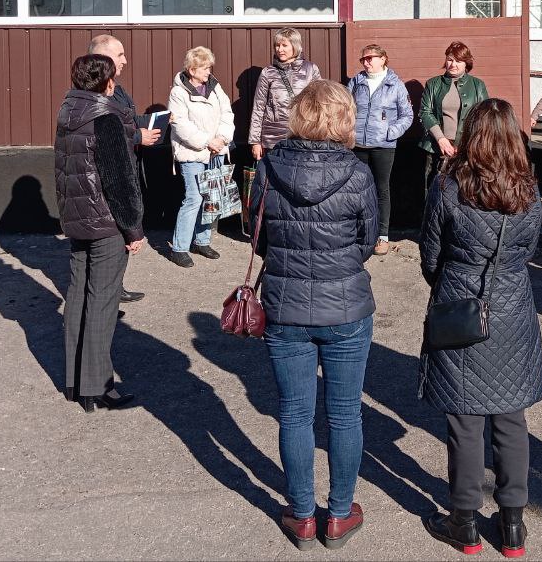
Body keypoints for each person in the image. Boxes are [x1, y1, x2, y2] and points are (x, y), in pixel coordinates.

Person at [251, 80, 379, 552]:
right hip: (345, 304)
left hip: (285, 306)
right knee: (344, 414)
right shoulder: (358, 173)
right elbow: (367, 241)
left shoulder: (268, 168)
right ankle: (339, 515)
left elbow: (256, 234)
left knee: (295, 415)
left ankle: (303, 515)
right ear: (345, 119)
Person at [420, 99, 542, 559]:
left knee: (465, 419)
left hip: (460, 304)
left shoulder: (449, 186)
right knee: (511, 418)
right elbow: (529, 249)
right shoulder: (529, 189)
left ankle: (465, 520)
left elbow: (431, 254)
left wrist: (451, 280)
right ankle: (512, 524)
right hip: (511, 307)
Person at [54, 54, 146, 413]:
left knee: (78, 295)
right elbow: (118, 180)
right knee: (103, 301)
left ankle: (75, 380)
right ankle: (97, 386)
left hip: (77, 217)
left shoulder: (67, 112)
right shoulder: (106, 117)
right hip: (106, 222)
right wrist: (133, 229)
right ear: (107, 83)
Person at [87, 34, 161, 304]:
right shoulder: (95, 93)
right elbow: (100, 137)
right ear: (104, 58)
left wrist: (154, 121)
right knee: (115, 236)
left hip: (128, 167)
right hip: (112, 176)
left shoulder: (116, 89)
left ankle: (114, 287)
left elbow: (126, 121)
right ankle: (105, 297)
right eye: (120, 55)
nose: (125, 60)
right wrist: (137, 137)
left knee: (121, 238)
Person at [165, 45, 234, 268]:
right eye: (204, 68)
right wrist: (207, 141)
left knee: (211, 197)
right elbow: (180, 125)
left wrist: (222, 138)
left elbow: (227, 113)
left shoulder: (215, 87)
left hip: (217, 150)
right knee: (194, 198)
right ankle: (180, 248)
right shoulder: (178, 93)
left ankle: (202, 241)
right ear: (192, 69)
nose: (208, 72)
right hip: (193, 153)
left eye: (208, 67)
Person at [347, 44, 414, 256]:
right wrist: (349, 131)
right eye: (363, 59)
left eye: (370, 58)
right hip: (357, 145)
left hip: (383, 146)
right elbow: (344, 108)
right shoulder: (356, 82)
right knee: (357, 189)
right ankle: (358, 233)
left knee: (381, 189)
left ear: (383, 59)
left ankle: (382, 236)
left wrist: (390, 132)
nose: (366, 62)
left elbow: (407, 115)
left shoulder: (395, 85)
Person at [419, 41, 490, 186]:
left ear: (466, 64)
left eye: (458, 61)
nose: (453, 64)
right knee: (434, 188)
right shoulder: (433, 84)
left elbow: (484, 116)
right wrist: (441, 139)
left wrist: (465, 143)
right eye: (450, 59)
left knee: (465, 187)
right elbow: (425, 112)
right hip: (436, 147)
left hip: (467, 147)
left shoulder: (478, 85)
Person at [249, 28, 322, 161]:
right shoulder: (268, 72)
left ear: (295, 46)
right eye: (277, 45)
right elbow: (258, 108)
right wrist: (255, 141)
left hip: (303, 135)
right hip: (273, 138)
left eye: (284, 45)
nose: (279, 49)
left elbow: (319, 104)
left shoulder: (311, 69)